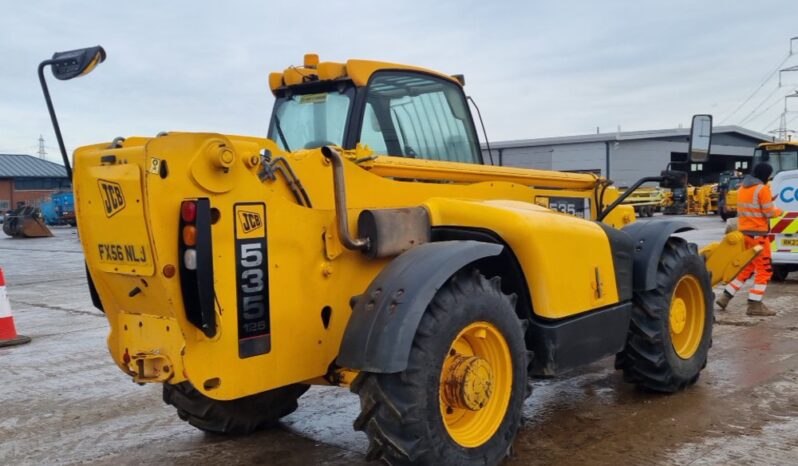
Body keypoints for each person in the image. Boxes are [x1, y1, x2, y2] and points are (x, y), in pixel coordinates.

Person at [716, 163, 783, 316]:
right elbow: (769, 212)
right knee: (765, 269)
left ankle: (726, 296)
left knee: (748, 267)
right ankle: (754, 304)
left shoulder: (743, 188)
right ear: (765, 175)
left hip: (745, 234)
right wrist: (779, 211)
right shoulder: (762, 189)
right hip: (758, 234)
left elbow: (752, 207)